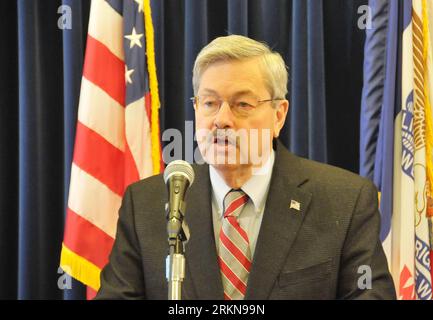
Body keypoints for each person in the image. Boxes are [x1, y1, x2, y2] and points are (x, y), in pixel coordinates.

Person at [96, 35, 396, 300]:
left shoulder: (345, 201)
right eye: (210, 103)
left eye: (242, 105)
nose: (221, 120)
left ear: (279, 115)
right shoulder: (147, 204)